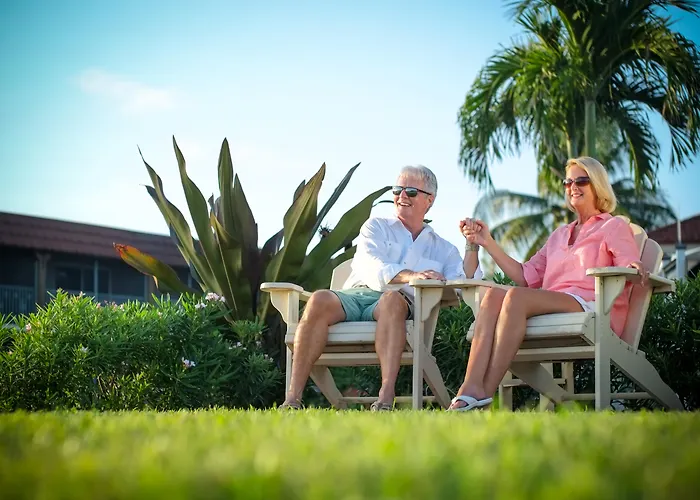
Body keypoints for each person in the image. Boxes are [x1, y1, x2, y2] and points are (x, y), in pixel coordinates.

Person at [448, 156, 650, 411]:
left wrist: (633, 265)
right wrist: (486, 242)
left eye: (581, 181)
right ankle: (469, 387)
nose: (572, 187)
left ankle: (482, 394)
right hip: (554, 305)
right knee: (492, 296)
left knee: (516, 297)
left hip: (592, 306)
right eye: (568, 182)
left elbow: (627, 260)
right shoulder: (559, 235)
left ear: (597, 185)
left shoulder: (613, 225)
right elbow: (525, 276)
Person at [280, 165, 483, 411]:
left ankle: (386, 397)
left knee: (392, 300)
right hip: (355, 296)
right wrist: (411, 275)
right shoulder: (375, 226)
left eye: (411, 191)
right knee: (320, 298)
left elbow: (463, 283)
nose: (402, 196)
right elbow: (371, 264)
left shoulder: (443, 249)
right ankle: (292, 400)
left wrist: (472, 245)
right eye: (397, 190)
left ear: (429, 200)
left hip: (398, 306)